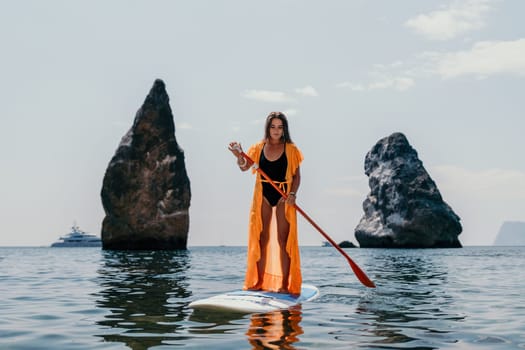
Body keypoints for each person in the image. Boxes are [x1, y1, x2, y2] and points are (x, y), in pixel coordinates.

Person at [228, 112, 303, 294]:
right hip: (263, 194)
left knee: (282, 241)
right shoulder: (258, 147)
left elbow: (296, 176)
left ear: (284, 129)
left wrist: (292, 194)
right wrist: (238, 155)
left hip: (283, 195)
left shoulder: (291, 149)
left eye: (279, 127)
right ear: (267, 128)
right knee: (262, 239)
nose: (276, 131)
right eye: (273, 127)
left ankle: (284, 285)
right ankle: (259, 282)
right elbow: (245, 167)